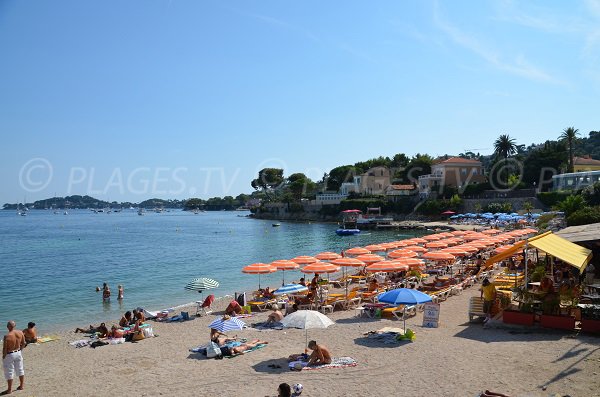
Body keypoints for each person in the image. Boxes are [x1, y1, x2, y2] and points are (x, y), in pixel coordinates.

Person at [2, 321, 26, 395]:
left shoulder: (7, 336)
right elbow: (24, 343)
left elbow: (5, 348)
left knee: (9, 371)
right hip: (18, 352)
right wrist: (20, 350)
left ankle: (9, 390)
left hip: (10, 354)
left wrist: (4, 356)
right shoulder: (20, 332)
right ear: (14, 326)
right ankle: (21, 386)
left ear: (7, 327)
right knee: (20, 369)